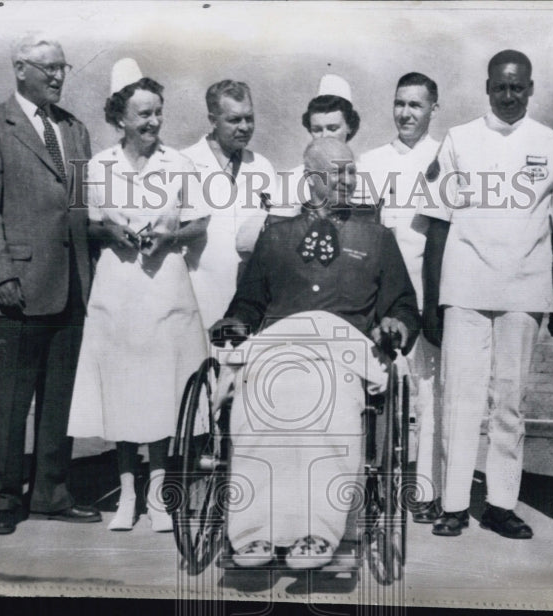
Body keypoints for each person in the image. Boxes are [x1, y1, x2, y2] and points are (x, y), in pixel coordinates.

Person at [211, 138, 420, 569]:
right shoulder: (276, 235)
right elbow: (249, 304)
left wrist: (397, 322)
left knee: (332, 403)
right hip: (279, 345)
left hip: (344, 349)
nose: (346, 179)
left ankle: (319, 532)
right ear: (310, 180)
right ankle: (253, 533)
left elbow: (402, 303)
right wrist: (236, 322)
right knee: (255, 398)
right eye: (335, 172)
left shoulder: (376, 237)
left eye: (350, 170)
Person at [421, 50, 553, 539]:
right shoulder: (458, 140)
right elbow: (436, 229)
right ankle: (452, 504)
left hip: (524, 291)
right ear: (487, 86)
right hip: (465, 290)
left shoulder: (552, 145)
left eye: (518, 87)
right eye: (500, 86)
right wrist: (432, 303)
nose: (508, 95)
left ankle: (500, 503)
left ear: (530, 88)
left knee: (510, 404)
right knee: (460, 401)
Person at [0, 34, 100, 535]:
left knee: (59, 401)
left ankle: (51, 492)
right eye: (48, 68)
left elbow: (81, 212)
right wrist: (0, 275)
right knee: (5, 404)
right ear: (20, 69)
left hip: (71, 287)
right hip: (14, 290)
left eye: (63, 67)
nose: (59, 76)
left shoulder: (77, 132)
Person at [67, 59, 210, 532]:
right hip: (118, 289)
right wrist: (108, 229)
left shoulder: (179, 164)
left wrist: (172, 235)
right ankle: (128, 493)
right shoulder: (97, 166)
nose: (153, 122)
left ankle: (159, 493)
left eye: (157, 113)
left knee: (164, 392)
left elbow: (199, 219)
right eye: (143, 114)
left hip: (165, 287)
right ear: (120, 117)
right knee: (123, 392)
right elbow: (84, 223)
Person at [357, 72, 443, 524]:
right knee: (378, 393)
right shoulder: (370, 162)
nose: (406, 113)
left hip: (428, 293)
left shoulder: (447, 158)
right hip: (382, 296)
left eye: (416, 105)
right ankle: (375, 488)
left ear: (433, 108)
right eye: (400, 104)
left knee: (429, 393)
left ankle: (426, 490)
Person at [181, 80, 278, 329]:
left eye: (249, 118)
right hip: (197, 295)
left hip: (249, 305)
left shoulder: (262, 166)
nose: (244, 127)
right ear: (213, 120)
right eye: (234, 120)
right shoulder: (185, 163)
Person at [270, 74, 364, 218]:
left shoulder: (369, 174)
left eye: (332, 128)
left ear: (349, 127)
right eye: (317, 130)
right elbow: (280, 230)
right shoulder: (293, 179)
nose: (324, 135)